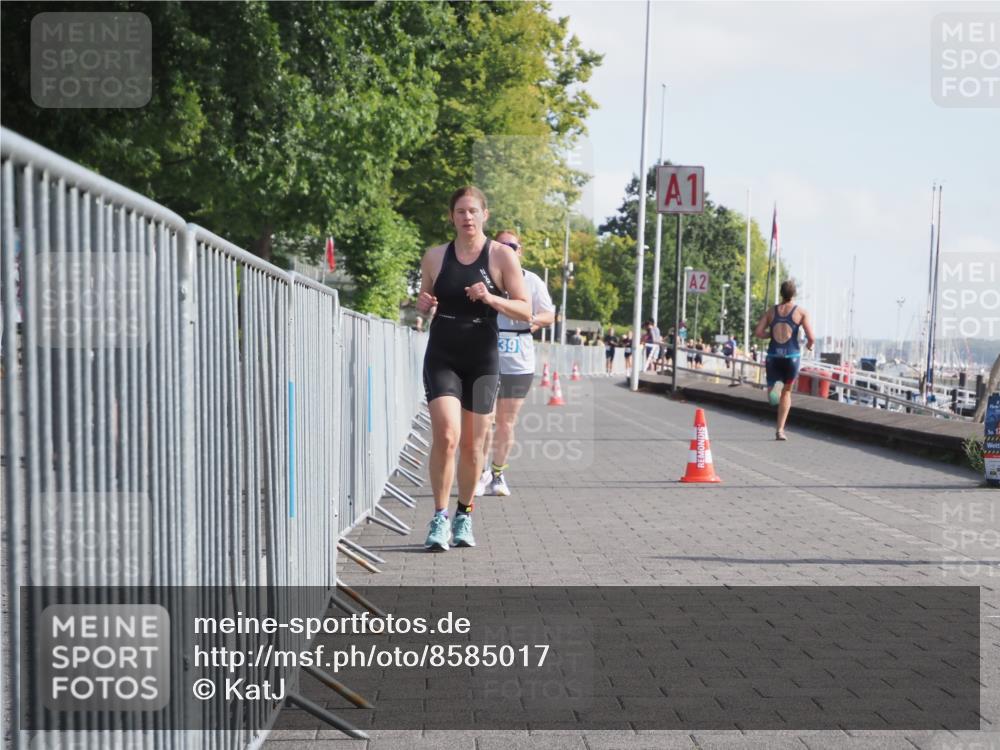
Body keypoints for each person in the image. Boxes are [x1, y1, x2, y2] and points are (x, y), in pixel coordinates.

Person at [416, 186, 531, 550]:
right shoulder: (435, 256)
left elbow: (525, 310)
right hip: (443, 354)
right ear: (451, 216)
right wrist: (423, 303)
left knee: (472, 445)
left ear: (485, 215)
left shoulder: (501, 257)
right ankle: (439, 518)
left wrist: (490, 297)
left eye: (473, 211)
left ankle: (464, 515)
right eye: (460, 211)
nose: (467, 217)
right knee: (447, 437)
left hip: (482, 357)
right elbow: (426, 301)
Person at [474, 230, 555, 498]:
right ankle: (479, 473)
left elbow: (549, 314)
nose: (508, 249)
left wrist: (532, 321)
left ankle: (498, 474)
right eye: (502, 245)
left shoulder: (532, 280)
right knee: (484, 421)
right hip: (486, 354)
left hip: (519, 359)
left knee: (506, 423)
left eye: (513, 246)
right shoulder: (483, 277)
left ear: (519, 251)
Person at [754, 279, 816, 441]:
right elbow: (811, 337)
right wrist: (809, 345)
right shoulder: (801, 312)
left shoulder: (771, 312)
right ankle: (780, 430)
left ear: (781, 293)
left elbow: (759, 332)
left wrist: (771, 334)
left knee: (774, 396)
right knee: (787, 392)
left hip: (774, 356)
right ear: (794, 294)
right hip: (791, 357)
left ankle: (774, 391)